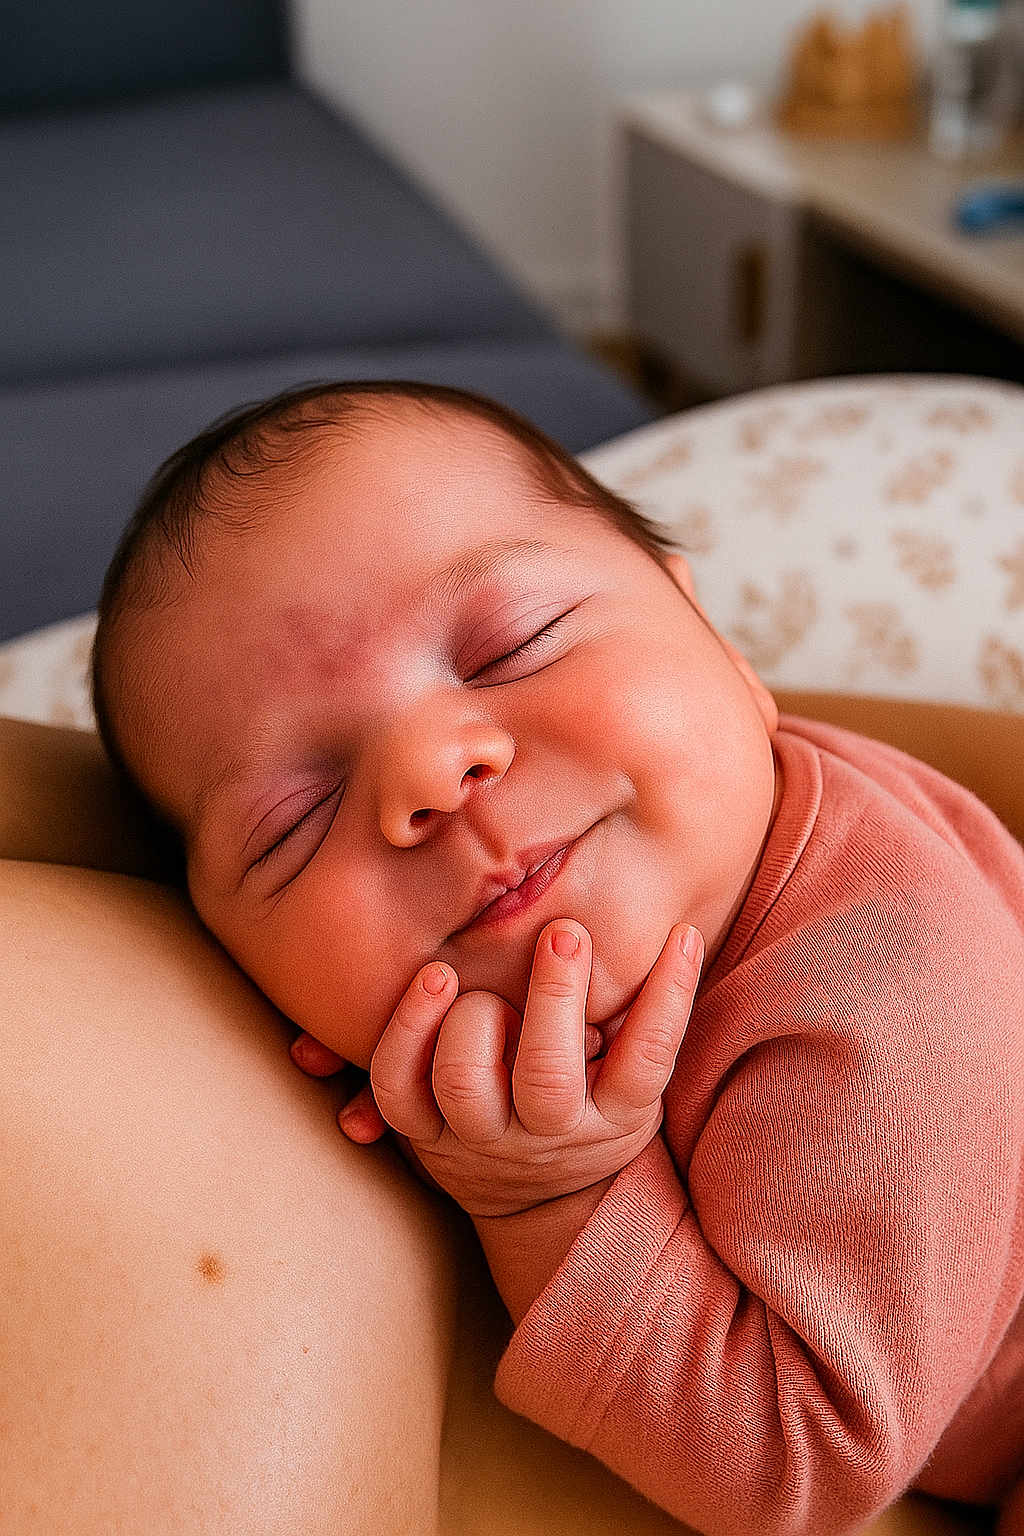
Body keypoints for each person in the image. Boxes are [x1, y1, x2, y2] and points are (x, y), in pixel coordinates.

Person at [45, 378, 1024, 1534]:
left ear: (723, 648)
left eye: (513, 645)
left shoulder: (893, 988)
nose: (430, 770)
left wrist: (554, 1192)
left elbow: (798, 1470)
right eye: (294, 822)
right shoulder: (691, 814)